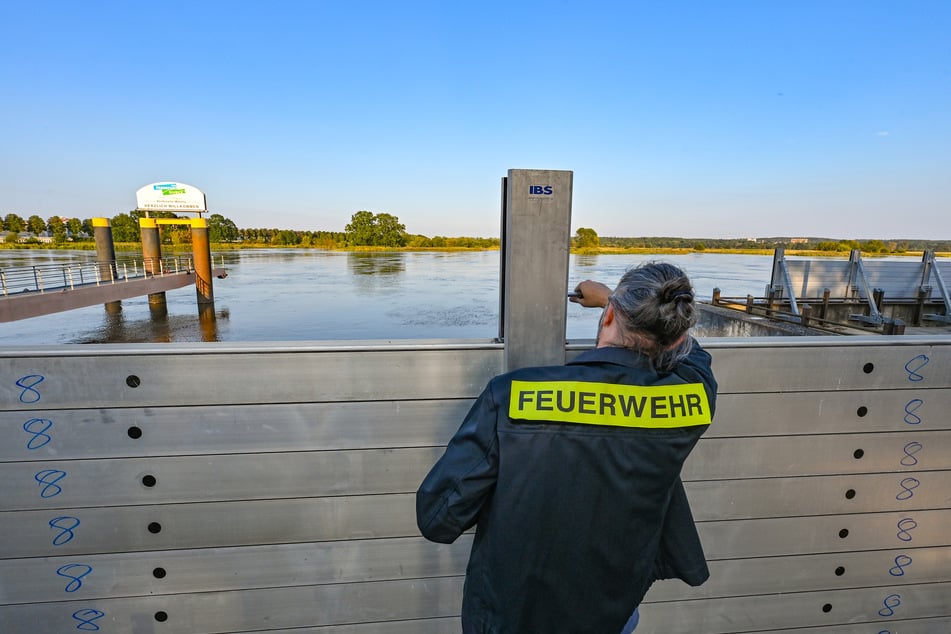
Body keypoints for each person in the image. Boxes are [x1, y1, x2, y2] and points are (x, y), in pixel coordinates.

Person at [416, 261, 717, 633]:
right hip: (611, 616)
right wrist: (617, 301)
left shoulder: (511, 396)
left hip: (509, 618)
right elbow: (692, 354)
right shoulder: (691, 401)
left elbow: (437, 518)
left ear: (608, 318)